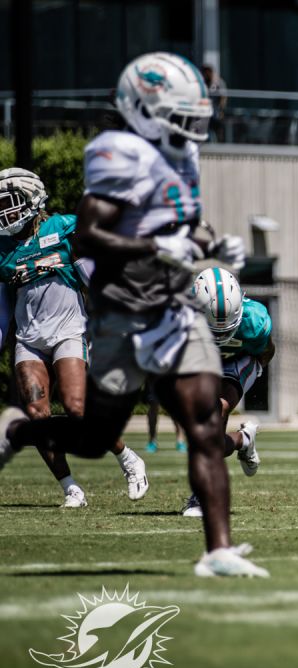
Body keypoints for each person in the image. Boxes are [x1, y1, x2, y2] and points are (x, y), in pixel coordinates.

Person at [0, 52, 266, 577]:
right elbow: (96, 230)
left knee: (206, 425)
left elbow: (182, 222)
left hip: (174, 308)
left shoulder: (179, 155)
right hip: (125, 313)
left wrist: (208, 241)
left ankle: (218, 551)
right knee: (93, 434)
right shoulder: (113, 154)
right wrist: (152, 245)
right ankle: (20, 434)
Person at [0, 168, 149, 507]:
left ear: (32, 200)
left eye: (8, 203)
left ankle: (128, 459)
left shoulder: (63, 228)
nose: (3, 212)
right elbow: (2, 304)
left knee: (77, 408)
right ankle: (71, 489)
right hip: (29, 338)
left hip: (68, 330)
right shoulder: (2, 249)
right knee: (37, 415)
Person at [180, 267, 271, 517]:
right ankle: (244, 440)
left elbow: (266, 352)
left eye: (226, 330)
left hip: (239, 361)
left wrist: (248, 374)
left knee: (216, 409)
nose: (220, 336)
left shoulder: (255, 321)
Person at [145, 386, 187, 453]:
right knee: (153, 406)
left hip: (171, 378)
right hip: (153, 378)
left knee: (176, 406)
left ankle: (180, 441)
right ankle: (152, 441)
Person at [200, 64, 227, 141]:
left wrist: (221, 110)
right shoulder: (202, 82)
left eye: (207, 71)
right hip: (204, 111)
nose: (205, 73)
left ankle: (216, 143)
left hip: (215, 111)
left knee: (215, 128)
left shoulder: (218, 82)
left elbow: (223, 97)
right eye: (204, 71)